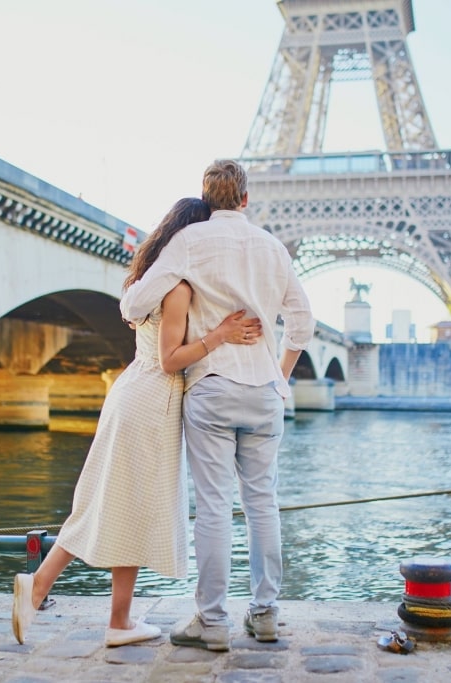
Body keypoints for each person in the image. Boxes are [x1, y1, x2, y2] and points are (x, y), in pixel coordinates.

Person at [12, 197, 264, 648]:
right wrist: (219, 335)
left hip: (133, 393)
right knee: (111, 504)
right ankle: (41, 586)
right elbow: (171, 361)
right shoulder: (179, 289)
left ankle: (118, 621)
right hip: (152, 400)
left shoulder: (151, 281)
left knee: (116, 506)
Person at [120, 159, 315, 651]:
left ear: (207, 200)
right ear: (246, 199)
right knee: (262, 504)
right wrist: (281, 373)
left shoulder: (190, 242)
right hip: (263, 391)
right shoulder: (274, 248)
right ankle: (266, 613)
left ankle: (211, 620)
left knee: (212, 508)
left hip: (211, 385)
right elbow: (303, 321)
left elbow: (132, 305)